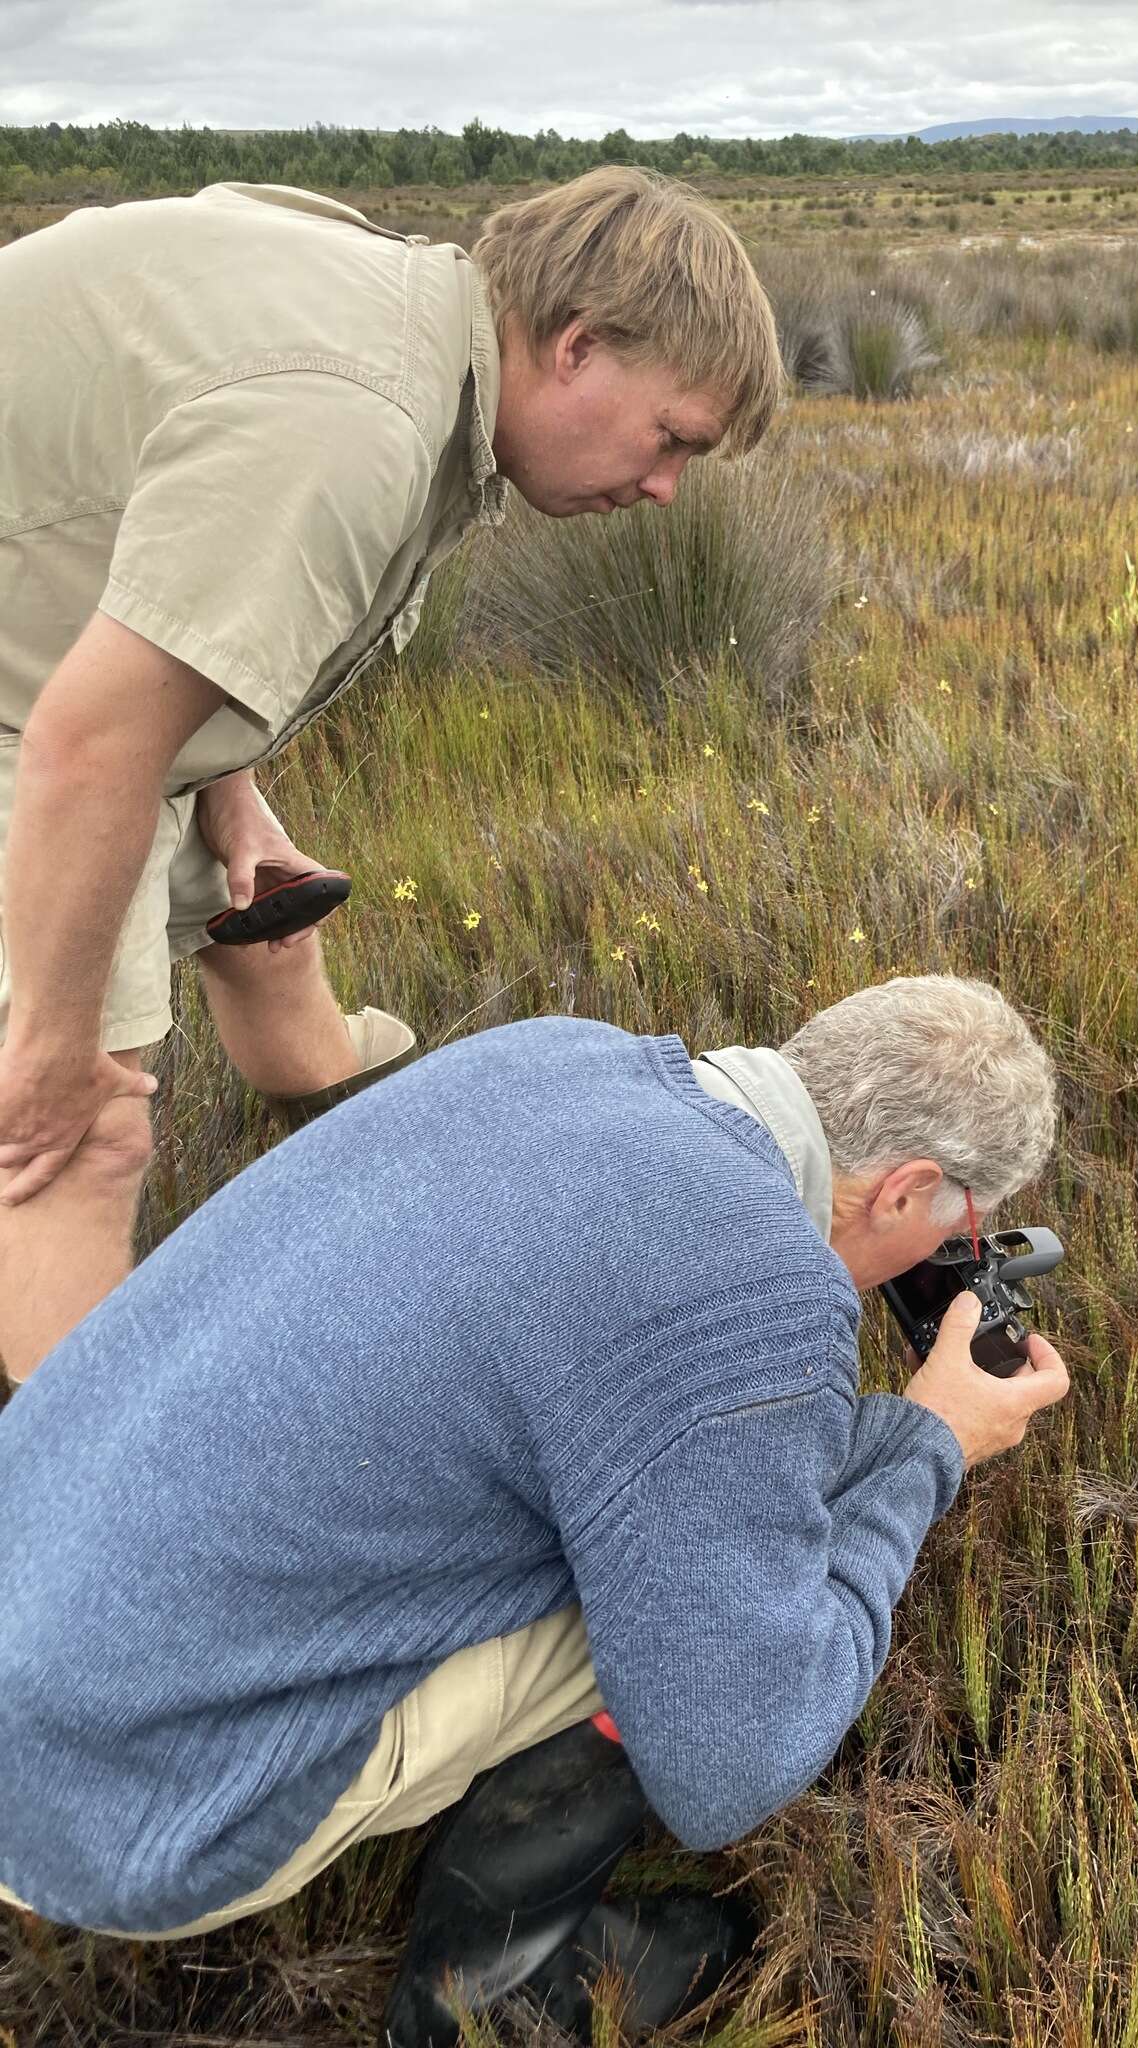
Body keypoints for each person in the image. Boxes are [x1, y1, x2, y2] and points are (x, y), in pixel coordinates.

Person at [0, 975, 1070, 2046]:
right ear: (904, 1189)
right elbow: (736, 1752)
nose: (956, 1253)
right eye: (961, 1227)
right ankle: (496, 1990)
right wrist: (931, 1438)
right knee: (716, 1594)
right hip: (113, 1805)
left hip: (41, 1584)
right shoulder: (755, 1297)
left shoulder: (557, 1052)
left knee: (677, 1492)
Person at [0, 164, 781, 1382]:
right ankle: (102, 1504)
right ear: (577, 348)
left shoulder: (418, 319)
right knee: (77, 1134)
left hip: (55, 647)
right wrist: (50, 1056)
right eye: (670, 436)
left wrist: (227, 783)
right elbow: (85, 744)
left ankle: (337, 1111)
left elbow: (155, 554)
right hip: (36, 715)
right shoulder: (355, 420)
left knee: (260, 911)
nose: (666, 486)